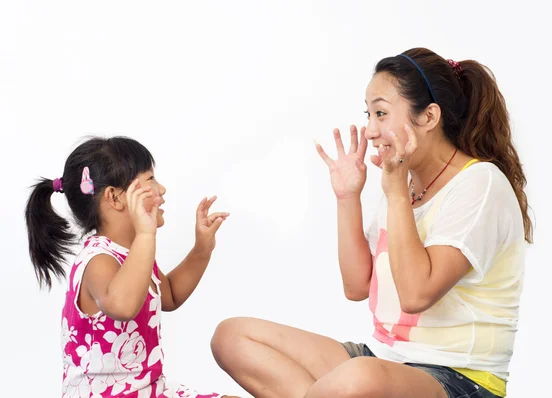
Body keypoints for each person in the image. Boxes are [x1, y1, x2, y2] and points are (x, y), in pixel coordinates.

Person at [210, 47, 532, 398]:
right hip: (386, 360)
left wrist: (395, 194)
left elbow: (415, 294)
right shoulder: (406, 185)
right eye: (368, 115)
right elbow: (357, 286)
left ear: (429, 117)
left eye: (381, 113)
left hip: (460, 378)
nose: (370, 131)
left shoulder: (480, 183)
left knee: (358, 377)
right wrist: (347, 197)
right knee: (233, 337)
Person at [25, 136, 238, 398]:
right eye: (149, 180)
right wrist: (146, 236)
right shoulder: (98, 260)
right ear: (115, 197)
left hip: (149, 390)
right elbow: (123, 306)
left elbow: (168, 294)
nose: (162, 190)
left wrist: (201, 249)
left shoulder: (132, 253)